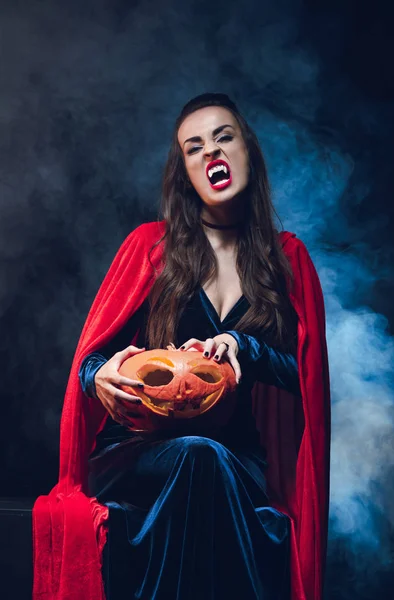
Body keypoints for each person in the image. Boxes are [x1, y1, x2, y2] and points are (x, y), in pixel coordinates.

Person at [33, 93, 330, 600]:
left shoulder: (286, 260)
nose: (211, 153)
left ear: (248, 152)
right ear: (186, 172)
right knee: (195, 454)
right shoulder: (150, 247)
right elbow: (95, 356)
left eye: (223, 137)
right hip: (140, 452)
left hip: (239, 460)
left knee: (206, 457)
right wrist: (97, 375)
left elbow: (305, 378)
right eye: (194, 148)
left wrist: (245, 348)